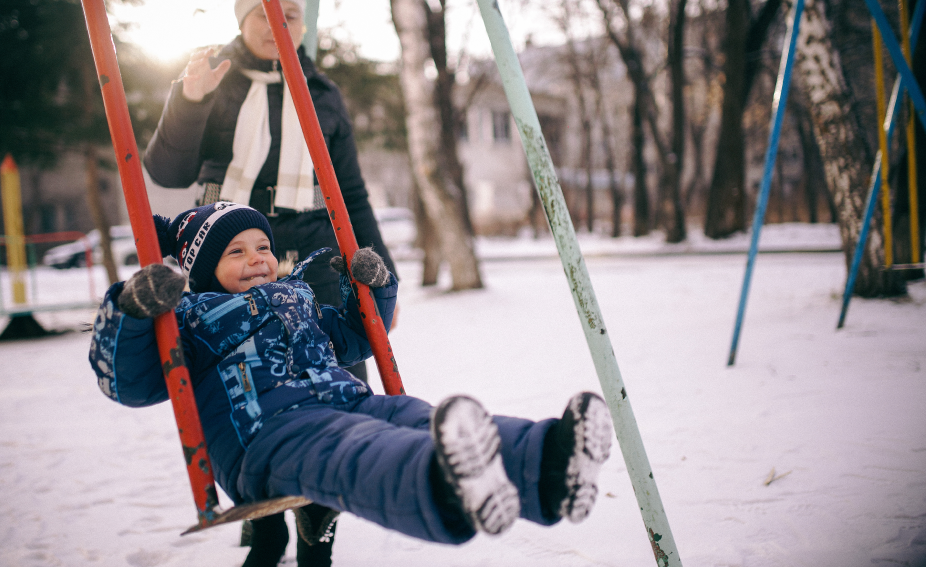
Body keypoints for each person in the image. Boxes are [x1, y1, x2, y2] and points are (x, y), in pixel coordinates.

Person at [88, 202, 614, 558]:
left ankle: (547, 466)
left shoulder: (295, 295)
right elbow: (128, 382)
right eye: (236, 251)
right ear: (201, 269)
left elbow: (360, 337)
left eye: (262, 246)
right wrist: (134, 312)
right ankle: (446, 486)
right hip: (267, 437)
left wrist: (374, 288)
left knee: (413, 416)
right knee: (354, 449)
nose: (257, 259)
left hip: (347, 399)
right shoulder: (190, 318)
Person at [141, 0, 397, 562]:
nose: (278, 24)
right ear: (243, 19)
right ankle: (263, 523)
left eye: (290, 14)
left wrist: (376, 264)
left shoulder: (322, 92)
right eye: (264, 14)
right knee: (239, 381)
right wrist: (191, 100)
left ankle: (318, 523)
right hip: (226, 247)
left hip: (306, 247)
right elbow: (168, 171)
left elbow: (350, 190)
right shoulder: (215, 79)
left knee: (328, 381)